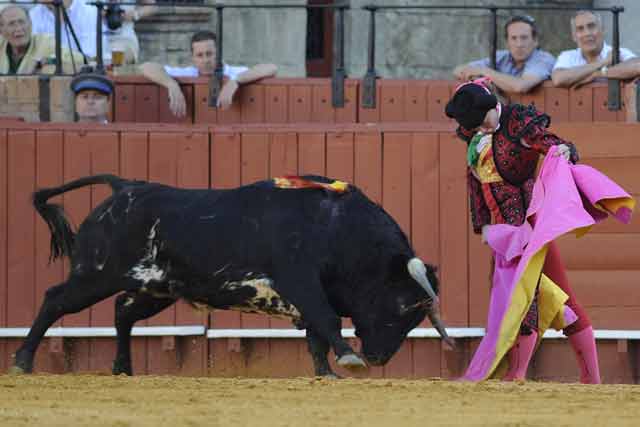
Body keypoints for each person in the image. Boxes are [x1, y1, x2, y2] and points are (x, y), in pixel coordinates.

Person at [444, 79, 635, 384]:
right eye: (474, 128)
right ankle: (580, 378)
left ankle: (526, 375)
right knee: (535, 301)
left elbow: (548, 141)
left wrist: (560, 149)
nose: (480, 130)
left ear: (492, 106)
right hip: (504, 235)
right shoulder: (474, 132)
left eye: (482, 123)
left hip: (530, 229)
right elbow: (474, 182)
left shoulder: (517, 122)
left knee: (532, 297)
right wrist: (483, 226)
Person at [139, 30, 278, 117]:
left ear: (218, 53)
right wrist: (171, 84)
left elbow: (271, 67)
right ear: (192, 58)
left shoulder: (234, 72)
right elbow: (145, 67)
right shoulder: (187, 73)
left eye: (209, 54)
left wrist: (235, 81)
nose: (205, 60)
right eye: (199, 55)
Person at [453, 15, 555, 94]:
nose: (519, 44)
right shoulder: (501, 57)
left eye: (524, 38)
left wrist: (485, 72)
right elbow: (458, 70)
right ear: (507, 42)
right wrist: (480, 79)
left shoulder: (544, 59)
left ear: (535, 40)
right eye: (514, 38)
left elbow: (520, 86)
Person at [552, 10, 640, 88]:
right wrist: (603, 63)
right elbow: (558, 79)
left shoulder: (617, 52)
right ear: (574, 36)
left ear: (602, 30)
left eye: (591, 26)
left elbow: (638, 67)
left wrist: (599, 74)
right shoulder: (568, 56)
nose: (587, 33)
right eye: (580, 29)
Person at [0, 5, 83, 74]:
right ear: (1, 30)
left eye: (22, 22)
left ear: (30, 24)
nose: (18, 28)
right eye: (11, 24)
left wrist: (48, 61)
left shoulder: (45, 42)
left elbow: (79, 60)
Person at [29, 0, 107, 61]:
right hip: (48, 76)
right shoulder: (33, 14)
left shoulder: (90, 10)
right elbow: (35, 58)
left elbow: (90, 58)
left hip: (87, 77)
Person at [104, 0, 158, 64]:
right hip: (95, 41)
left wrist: (136, 14)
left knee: (114, 65)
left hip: (123, 39)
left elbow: (152, 6)